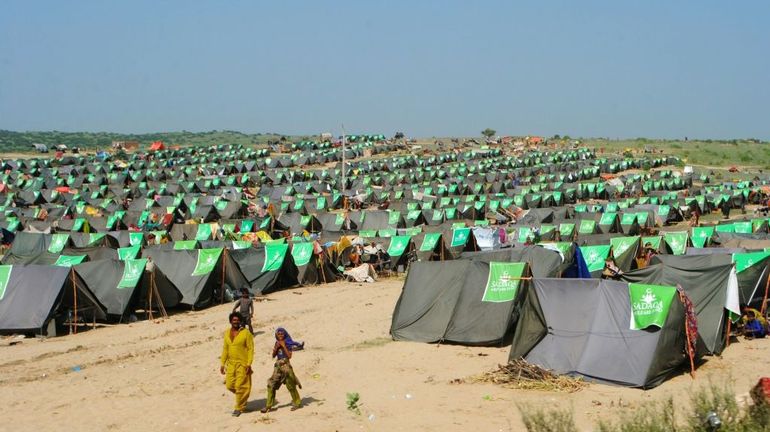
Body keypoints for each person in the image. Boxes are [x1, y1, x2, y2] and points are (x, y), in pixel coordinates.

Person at [220, 312, 254, 417]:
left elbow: (250, 349)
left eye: (237, 320)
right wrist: (222, 363)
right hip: (231, 364)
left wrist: (249, 364)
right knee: (229, 385)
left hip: (242, 364)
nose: (236, 322)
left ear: (240, 321)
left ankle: (239, 407)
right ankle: (242, 397)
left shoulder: (246, 333)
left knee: (240, 386)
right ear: (230, 321)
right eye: (234, 320)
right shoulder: (226, 333)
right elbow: (225, 349)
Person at [262, 327, 302, 413]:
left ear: (285, 335)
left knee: (290, 385)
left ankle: (297, 402)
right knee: (271, 384)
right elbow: (273, 355)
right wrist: (276, 348)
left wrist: (284, 346)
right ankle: (269, 405)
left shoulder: (288, 343)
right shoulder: (276, 343)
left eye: (282, 334)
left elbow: (289, 356)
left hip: (286, 366)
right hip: (278, 367)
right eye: (278, 334)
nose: (280, 335)